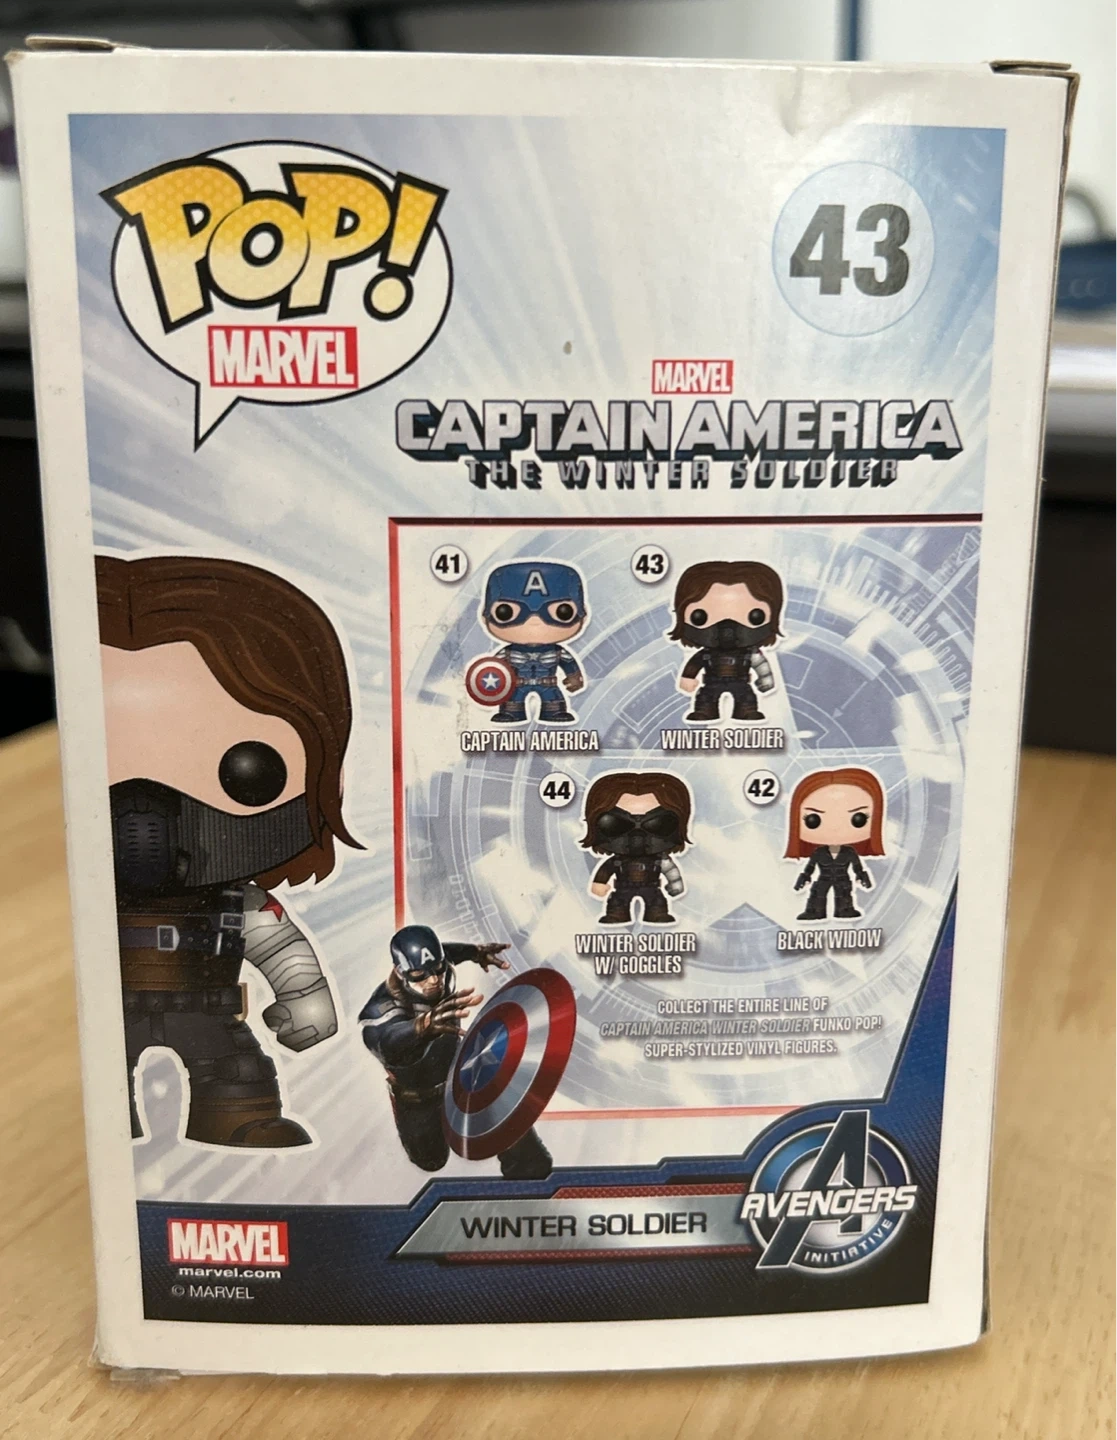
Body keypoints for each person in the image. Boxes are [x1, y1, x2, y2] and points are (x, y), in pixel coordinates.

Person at [98, 552, 360, 1146]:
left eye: (248, 769)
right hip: (103, 1020)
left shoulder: (237, 902)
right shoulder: (78, 902)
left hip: (208, 1008)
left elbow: (279, 945)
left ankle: (237, 1118)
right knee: (94, 1095)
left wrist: (304, 999)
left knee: (237, 1077)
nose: (144, 812)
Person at [360, 925, 553, 1178]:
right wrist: (421, 1027)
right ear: (400, 971)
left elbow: (448, 953)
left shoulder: (442, 967)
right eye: (419, 975)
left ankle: (528, 1169)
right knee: (431, 1160)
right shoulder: (382, 1008)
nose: (433, 980)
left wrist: (475, 952)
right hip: (419, 1096)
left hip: (461, 1071)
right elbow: (384, 1041)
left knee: (529, 1157)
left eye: (437, 969)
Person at [668, 559, 783, 722]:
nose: (727, 628)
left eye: (755, 617)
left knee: (746, 699)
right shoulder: (706, 654)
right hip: (712, 682)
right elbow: (694, 664)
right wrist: (688, 677)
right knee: (706, 699)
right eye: (700, 617)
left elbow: (760, 665)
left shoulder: (750, 653)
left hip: (741, 681)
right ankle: (705, 712)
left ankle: (746, 712)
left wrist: (766, 681)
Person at [476, 560, 587, 723]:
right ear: (485, 616)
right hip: (517, 685)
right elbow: (494, 669)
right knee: (512, 705)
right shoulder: (507, 652)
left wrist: (574, 677)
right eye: (505, 612)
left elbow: (569, 663)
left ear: (583, 615)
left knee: (554, 705)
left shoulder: (557, 652)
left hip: (548, 684)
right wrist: (489, 686)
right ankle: (512, 713)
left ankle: (554, 713)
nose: (534, 621)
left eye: (563, 612)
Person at [580, 771, 692, 924]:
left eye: (658, 823)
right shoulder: (617, 860)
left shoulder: (660, 859)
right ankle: (617, 915)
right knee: (617, 904)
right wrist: (599, 883)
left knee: (656, 904)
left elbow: (670, 870)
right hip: (623, 887)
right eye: (615, 824)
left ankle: (656, 915)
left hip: (651, 887)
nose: (637, 836)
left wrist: (675, 885)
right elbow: (605, 870)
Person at [784, 768, 886, 921]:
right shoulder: (819, 853)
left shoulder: (849, 852)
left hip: (842, 878)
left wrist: (863, 878)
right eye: (813, 820)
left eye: (858, 818)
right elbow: (810, 868)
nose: (835, 827)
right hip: (824, 877)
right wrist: (803, 879)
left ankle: (845, 910)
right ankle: (815, 912)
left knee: (844, 895)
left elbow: (857, 867)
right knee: (817, 894)